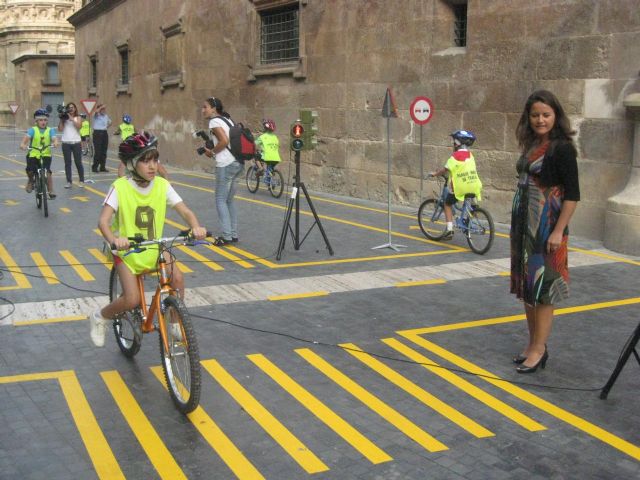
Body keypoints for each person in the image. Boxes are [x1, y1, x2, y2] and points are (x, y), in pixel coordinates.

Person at [89, 132, 206, 347]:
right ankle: (100, 317)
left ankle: (173, 323)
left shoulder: (162, 185)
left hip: (155, 247)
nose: (152, 166)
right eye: (145, 161)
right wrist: (114, 240)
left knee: (178, 279)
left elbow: (185, 211)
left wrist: (196, 227)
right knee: (131, 299)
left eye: (155, 160)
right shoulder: (120, 187)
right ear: (132, 164)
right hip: (127, 251)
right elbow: (103, 222)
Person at [510, 90, 580, 374]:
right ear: (529, 117)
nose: (541, 119)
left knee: (544, 289)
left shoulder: (561, 148)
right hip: (524, 227)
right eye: (536, 115)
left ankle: (540, 349)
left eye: (546, 115)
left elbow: (573, 195)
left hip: (547, 227)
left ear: (556, 116)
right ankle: (532, 343)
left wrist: (558, 231)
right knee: (528, 289)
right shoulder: (532, 144)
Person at [201, 96, 244, 246]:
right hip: (238, 163)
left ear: (214, 108)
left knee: (220, 200)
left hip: (225, 164)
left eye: (205, 107)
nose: (203, 110)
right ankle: (233, 234)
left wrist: (211, 152)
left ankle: (226, 236)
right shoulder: (228, 120)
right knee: (229, 200)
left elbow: (224, 141)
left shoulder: (214, 121)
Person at [429, 130, 483, 240]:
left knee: (447, 203)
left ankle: (449, 229)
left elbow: (445, 169)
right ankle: (471, 215)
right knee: (470, 200)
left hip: (462, 187)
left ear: (457, 143)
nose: (453, 144)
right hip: (475, 185)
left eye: (454, 142)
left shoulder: (455, 156)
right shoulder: (470, 155)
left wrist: (435, 174)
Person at [20, 108, 60, 198]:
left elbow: (54, 138)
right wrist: (23, 144)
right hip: (33, 154)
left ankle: (50, 190)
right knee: (30, 170)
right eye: (41, 120)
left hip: (46, 154)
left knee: (48, 172)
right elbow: (26, 139)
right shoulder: (32, 130)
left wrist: (55, 142)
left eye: (45, 120)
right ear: (36, 121)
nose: (43, 122)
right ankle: (31, 181)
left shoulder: (50, 130)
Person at [57, 102, 85, 188]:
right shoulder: (64, 119)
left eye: (72, 107)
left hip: (76, 143)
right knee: (67, 163)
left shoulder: (78, 117)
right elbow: (60, 129)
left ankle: (81, 180)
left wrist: (71, 118)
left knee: (78, 162)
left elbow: (79, 126)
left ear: (75, 109)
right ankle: (69, 181)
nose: (71, 109)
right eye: (69, 107)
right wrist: (62, 119)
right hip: (66, 143)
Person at [92, 103, 112, 172]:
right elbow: (95, 113)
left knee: (104, 151)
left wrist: (106, 127)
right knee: (98, 151)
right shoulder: (96, 115)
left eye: (104, 109)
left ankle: (102, 167)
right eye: (102, 109)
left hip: (104, 133)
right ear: (99, 109)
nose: (104, 110)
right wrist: (100, 108)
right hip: (97, 133)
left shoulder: (105, 116)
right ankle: (95, 167)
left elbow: (110, 122)